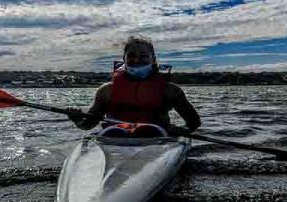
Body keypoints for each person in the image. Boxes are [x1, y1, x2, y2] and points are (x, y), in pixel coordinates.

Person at [68, 35, 201, 137]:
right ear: (124, 59)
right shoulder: (106, 90)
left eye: (143, 56)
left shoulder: (170, 90)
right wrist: (77, 119)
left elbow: (194, 123)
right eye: (131, 56)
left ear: (153, 59)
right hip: (114, 138)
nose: (137, 60)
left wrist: (182, 130)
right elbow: (87, 125)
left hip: (157, 139)